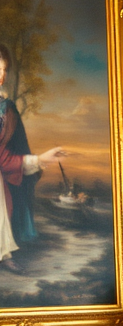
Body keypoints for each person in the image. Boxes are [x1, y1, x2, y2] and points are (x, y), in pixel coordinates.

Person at [0, 42, 68, 254]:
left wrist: (39, 160)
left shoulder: (7, 109)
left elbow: (9, 155)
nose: (2, 75)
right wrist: (41, 159)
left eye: (5, 70)